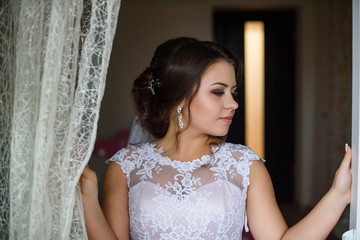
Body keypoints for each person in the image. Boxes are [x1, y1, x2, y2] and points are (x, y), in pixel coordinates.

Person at [80, 37, 352, 240]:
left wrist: (339, 195)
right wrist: (89, 200)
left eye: (233, 92)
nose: (233, 103)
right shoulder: (125, 166)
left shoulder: (244, 165)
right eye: (218, 92)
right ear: (179, 97)